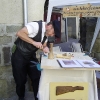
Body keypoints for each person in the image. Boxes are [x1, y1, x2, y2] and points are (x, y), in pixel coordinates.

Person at [11, 20, 60, 100]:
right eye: (53, 33)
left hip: (30, 56)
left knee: (37, 76)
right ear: (49, 26)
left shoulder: (46, 33)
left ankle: (37, 97)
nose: (52, 35)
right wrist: (34, 42)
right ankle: (21, 97)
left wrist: (45, 48)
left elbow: (43, 44)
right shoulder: (35, 26)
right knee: (20, 79)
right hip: (19, 55)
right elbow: (19, 33)